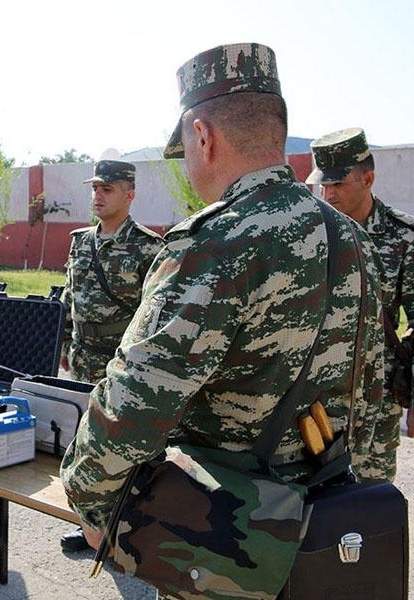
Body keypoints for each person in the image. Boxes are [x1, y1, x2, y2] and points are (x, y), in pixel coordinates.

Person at [60, 41, 386, 576]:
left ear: (203, 138)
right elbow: (369, 390)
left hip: (230, 540)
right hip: (327, 529)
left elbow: (137, 399)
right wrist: (358, 508)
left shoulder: (211, 244)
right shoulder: (353, 239)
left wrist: (90, 501)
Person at [58, 159, 164, 552]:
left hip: (121, 366)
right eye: (95, 188)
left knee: (124, 446)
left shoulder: (149, 247)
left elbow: (153, 314)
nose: (97, 195)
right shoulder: (80, 241)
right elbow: (70, 296)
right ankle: (91, 524)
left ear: (129, 194)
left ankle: (131, 529)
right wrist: (65, 343)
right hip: (83, 357)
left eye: (107, 189)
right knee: (83, 442)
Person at [306, 127, 414, 481]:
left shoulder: (404, 237)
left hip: (376, 404)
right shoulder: (310, 237)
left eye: (337, 184)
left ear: (368, 178)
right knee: (313, 510)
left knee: (369, 504)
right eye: (323, 185)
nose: (328, 193)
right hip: (312, 401)